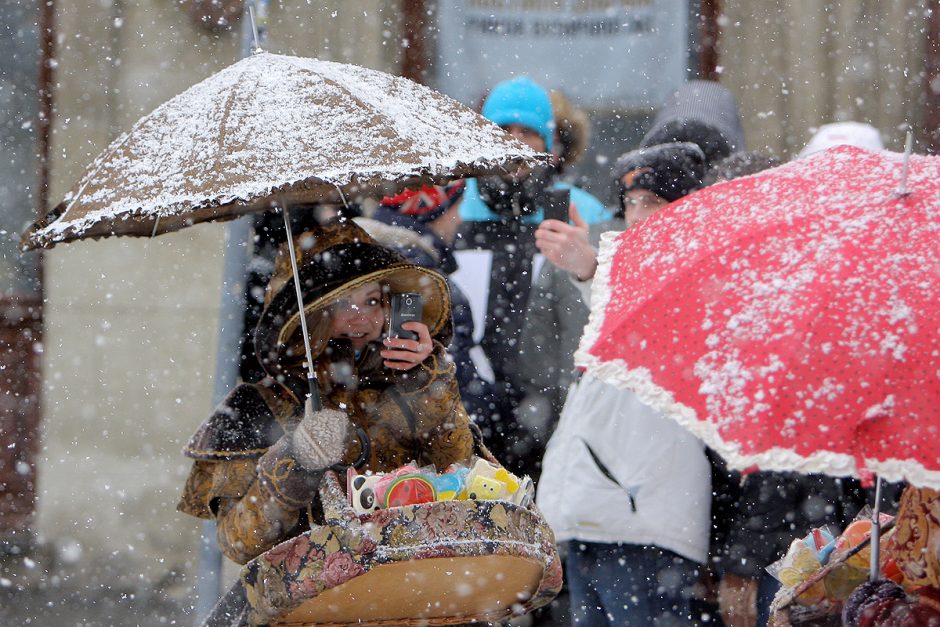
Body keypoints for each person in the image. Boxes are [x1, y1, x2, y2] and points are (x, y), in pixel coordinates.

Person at [177, 221, 474, 564]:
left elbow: (457, 474)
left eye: (373, 300)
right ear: (310, 316)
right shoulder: (262, 404)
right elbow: (238, 542)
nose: (361, 318)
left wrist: (429, 382)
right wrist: (295, 459)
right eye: (341, 304)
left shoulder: (406, 385)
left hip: (411, 588)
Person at [535, 142, 712, 626]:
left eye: (651, 201)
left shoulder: (700, 274)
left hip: (640, 519)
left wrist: (590, 267)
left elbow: (661, 326)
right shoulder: (634, 278)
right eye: (630, 203)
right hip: (601, 511)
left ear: (687, 205)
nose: (637, 216)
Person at [455, 75, 611, 478]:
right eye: (502, 130)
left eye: (527, 133)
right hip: (471, 415)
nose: (514, 142)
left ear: (549, 145)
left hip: (558, 416)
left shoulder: (582, 213)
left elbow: (602, 302)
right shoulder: (451, 211)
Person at [356, 182, 496, 425]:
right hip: (426, 441)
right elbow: (454, 384)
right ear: (431, 209)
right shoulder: (418, 277)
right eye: (457, 207)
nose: (460, 219)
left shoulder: (366, 255)